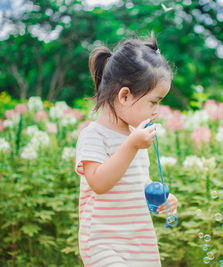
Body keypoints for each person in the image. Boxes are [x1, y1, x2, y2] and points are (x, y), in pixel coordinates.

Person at [74, 33, 178, 267]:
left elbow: (137, 182)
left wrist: (160, 197)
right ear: (125, 95)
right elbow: (99, 183)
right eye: (154, 101)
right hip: (104, 243)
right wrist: (131, 145)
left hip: (137, 240)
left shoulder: (134, 137)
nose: (157, 111)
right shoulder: (93, 136)